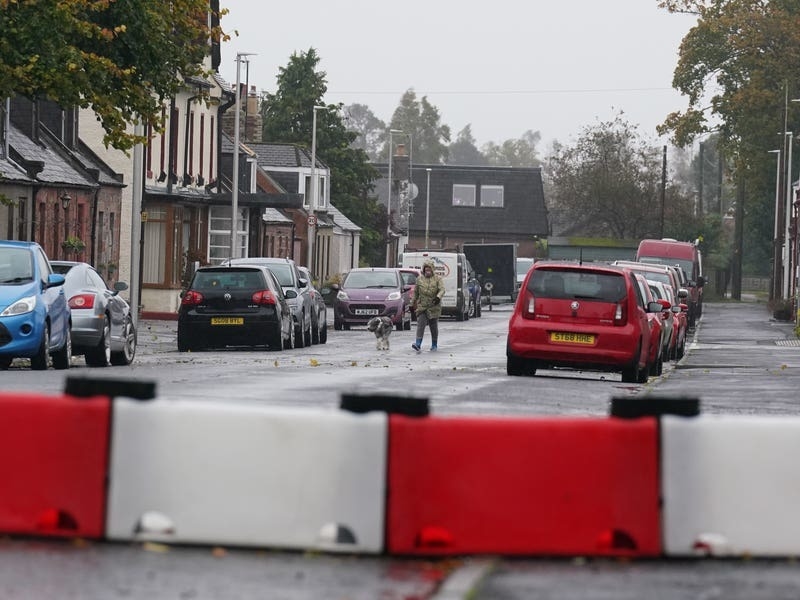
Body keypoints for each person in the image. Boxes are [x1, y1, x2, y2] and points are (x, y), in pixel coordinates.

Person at [411, 259, 445, 352]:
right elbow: (415, 293)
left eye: (429, 270)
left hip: (434, 306)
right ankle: (418, 344)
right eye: (426, 270)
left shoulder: (438, 279)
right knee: (420, 324)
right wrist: (412, 303)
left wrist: (438, 297)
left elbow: (442, 289)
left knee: (433, 326)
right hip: (423, 306)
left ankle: (434, 344)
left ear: (432, 270)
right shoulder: (419, 279)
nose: (428, 271)